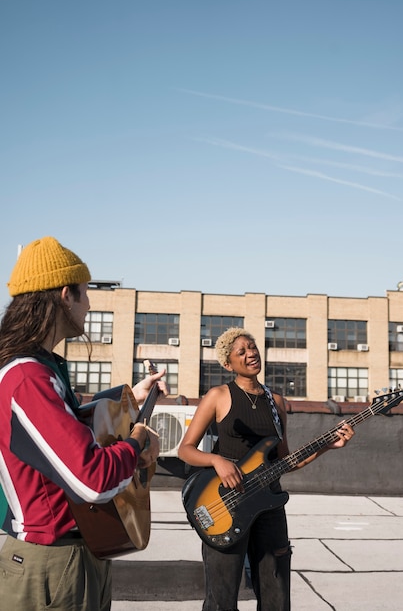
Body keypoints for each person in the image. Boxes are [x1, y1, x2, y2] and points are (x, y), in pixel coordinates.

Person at [0, 236, 166, 611]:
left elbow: (68, 425)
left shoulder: (42, 371)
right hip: (52, 564)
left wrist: (129, 398)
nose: (90, 303)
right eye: (85, 293)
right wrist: (137, 441)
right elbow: (92, 479)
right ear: (64, 295)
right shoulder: (28, 379)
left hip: (72, 558)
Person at [178, 327, 354, 611]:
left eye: (253, 347)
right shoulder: (218, 395)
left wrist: (327, 446)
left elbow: (286, 461)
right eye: (242, 351)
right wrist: (217, 461)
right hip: (225, 503)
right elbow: (185, 449)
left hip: (269, 506)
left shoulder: (277, 402)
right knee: (221, 600)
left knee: (276, 596)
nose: (251, 354)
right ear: (228, 363)